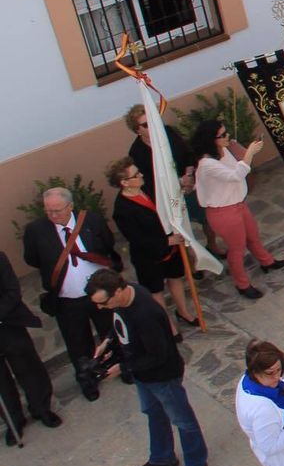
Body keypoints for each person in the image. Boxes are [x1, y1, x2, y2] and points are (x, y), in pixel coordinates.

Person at [86, 269, 208, 466]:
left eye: (103, 303)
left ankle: (196, 464)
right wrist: (108, 342)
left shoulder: (146, 314)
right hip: (143, 375)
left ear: (119, 291)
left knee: (182, 420)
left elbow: (157, 355)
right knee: (153, 414)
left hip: (162, 376)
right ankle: (162, 457)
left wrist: (121, 368)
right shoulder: (126, 298)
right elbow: (120, 324)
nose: (100, 308)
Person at [21, 186, 123, 399]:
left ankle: (121, 367)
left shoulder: (92, 221)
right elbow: (32, 258)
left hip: (100, 295)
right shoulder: (36, 230)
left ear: (71, 206)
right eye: (48, 211)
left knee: (111, 333)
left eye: (58, 210)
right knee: (78, 344)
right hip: (67, 301)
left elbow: (106, 243)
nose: (53, 215)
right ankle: (88, 380)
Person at [191, 120, 284, 298]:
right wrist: (249, 153)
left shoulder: (223, 151)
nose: (228, 137)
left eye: (227, 133)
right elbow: (235, 175)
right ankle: (242, 284)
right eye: (223, 135)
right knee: (237, 248)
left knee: (252, 236)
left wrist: (244, 153)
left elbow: (239, 166)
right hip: (223, 211)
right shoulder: (206, 164)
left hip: (237, 204)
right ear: (211, 139)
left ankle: (267, 262)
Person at [108, 158, 196, 328]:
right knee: (156, 291)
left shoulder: (147, 189)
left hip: (171, 247)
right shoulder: (122, 210)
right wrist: (166, 241)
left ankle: (183, 311)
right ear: (124, 182)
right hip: (149, 257)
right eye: (136, 174)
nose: (141, 175)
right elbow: (137, 238)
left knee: (175, 278)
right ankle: (168, 324)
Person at [124, 104, 221, 259]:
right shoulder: (137, 152)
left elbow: (187, 153)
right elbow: (148, 182)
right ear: (137, 130)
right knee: (182, 231)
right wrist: (177, 182)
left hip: (189, 186)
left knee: (208, 217)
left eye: (153, 121)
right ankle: (194, 260)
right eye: (146, 125)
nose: (152, 126)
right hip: (170, 197)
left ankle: (212, 245)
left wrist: (189, 174)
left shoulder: (167, 132)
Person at [0, 252, 58, 443]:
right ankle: (13, 421)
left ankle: (42, 409)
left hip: (9, 324)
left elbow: (12, 291)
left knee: (29, 369)